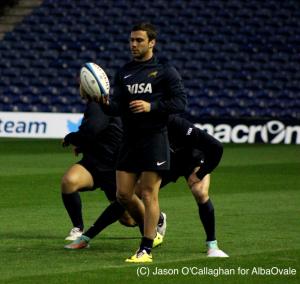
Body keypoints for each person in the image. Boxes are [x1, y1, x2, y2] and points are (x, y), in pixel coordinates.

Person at [65, 115, 228, 258]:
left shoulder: (177, 124)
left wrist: (199, 174)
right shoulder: (142, 131)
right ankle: (87, 237)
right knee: (129, 195)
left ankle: (212, 245)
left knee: (199, 192)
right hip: (169, 164)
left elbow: (216, 147)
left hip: (194, 161)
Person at [101, 22, 187, 263]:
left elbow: (180, 102)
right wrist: (102, 101)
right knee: (124, 196)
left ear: (152, 43)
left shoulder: (165, 71)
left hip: (154, 138)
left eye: (139, 40)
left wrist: (153, 106)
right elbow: (116, 108)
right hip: (129, 140)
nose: (133, 44)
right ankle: (157, 221)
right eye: (131, 40)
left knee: (149, 194)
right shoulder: (124, 72)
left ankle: (145, 249)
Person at [61, 86, 124, 241]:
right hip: (93, 164)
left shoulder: (97, 105)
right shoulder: (97, 104)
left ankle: (158, 219)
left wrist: (70, 138)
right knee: (69, 182)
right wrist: (82, 146)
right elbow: (99, 133)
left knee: (129, 220)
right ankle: (78, 228)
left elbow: (92, 130)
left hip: (112, 168)